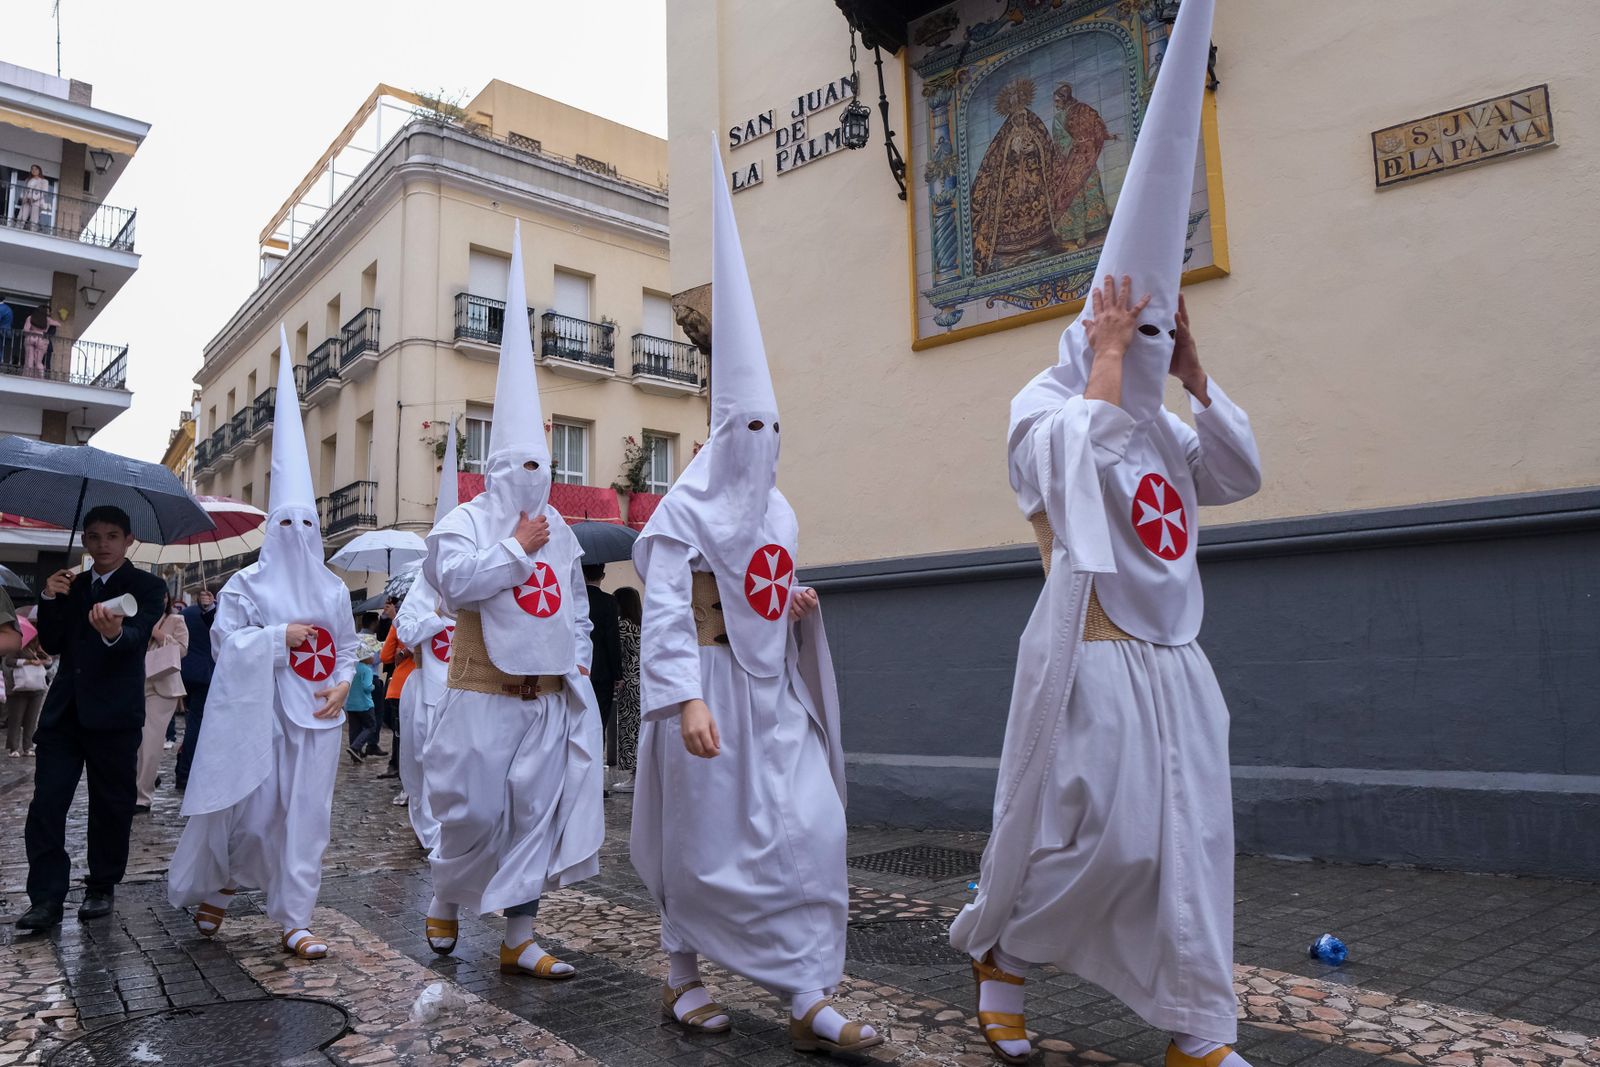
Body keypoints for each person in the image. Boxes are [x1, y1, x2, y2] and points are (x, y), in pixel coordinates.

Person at [947, 6, 1263, 1067]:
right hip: (1086, 656)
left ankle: (1194, 1027)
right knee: (1099, 842)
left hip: (1175, 658)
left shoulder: (1159, 425)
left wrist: (1194, 380)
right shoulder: (1045, 409)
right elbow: (1063, 488)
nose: (1141, 350)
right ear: (1091, 329)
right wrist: (1099, 366)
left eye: (1152, 335)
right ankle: (1002, 953)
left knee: (1191, 847)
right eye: (1131, 331)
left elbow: (1236, 473)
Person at [628, 141, 879, 1056]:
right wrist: (685, 695)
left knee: (809, 826)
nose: (765, 440)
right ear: (723, 430)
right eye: (751, 427)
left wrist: (790, 605)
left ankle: (807, 987)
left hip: (774, 695)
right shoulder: (684, 506)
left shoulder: (779, 507)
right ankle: (683, 976)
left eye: (776, 427)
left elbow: (758, 590)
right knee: (705, 844)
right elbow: (665, 602)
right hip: (704, 691)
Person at [419, 221, 603, 976]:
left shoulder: (560, 528)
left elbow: (575, 605)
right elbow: (452, 582)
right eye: (519, 461)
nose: (533, 473)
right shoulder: (465, 520)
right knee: (475, 813)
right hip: (481, 692)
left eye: (543, 461)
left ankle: (520, 934)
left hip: (546, 696)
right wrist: (513, 547)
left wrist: (580, 664)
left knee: (537, 814)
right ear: (498, 464)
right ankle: (445, 892)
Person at [168, 325, 356, 961]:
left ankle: (295, 918)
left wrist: (341, 685)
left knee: (308, 820)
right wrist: (281, 637)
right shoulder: (247, 583)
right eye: (289, 522)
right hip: (264, 715)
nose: (301, 531)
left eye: (308, 522)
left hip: (318, 719)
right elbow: (226, 642)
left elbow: (349, 646)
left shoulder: (332, 588)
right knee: (254, 815)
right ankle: (222, 883)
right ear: (272, 527)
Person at [18, 506, 167, 930]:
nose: (103, 544)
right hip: (63, 716)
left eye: (112, 536)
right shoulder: (72, 585)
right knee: (46, 806)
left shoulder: (148, 586)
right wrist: (49, 598)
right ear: (84, 541)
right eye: (95, 536)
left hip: (115, 715)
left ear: (128, 540)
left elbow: (136, 641)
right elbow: (53, 642)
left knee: (111, 806)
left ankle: (102, 884)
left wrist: (113, 633)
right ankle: (45, 898)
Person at [394, 422, 462, 843]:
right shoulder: (423, 583)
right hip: (427, 689)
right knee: (422, 759)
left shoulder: (474, 577)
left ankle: (454, 830)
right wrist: (438, 616)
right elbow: (405, 631)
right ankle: (429, 830)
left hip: (466, 688)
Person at [135, 594, 189, 812]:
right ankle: (144, 779)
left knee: (150, 742)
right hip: (136, 682)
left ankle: (142, 797)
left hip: (162, 686)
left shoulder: (177, 620)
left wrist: (158, 635)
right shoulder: (136, 618)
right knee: (134, 742)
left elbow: (183, 650)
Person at [174, 588, 216, 791]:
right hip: (205, 674)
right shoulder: (216, 617)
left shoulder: (186, 613)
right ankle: (185, 770)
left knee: (192, 720)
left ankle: (183, 765)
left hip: (184, 671)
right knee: (196, 723)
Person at [583, 563, 622, 781]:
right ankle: (596, 774)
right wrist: (618, 673)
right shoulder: (608, 602)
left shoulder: (575, 599)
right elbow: (612, 641)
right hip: (602, 672)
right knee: (599, 722)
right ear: (603, 575)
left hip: (578, 670)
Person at [611, 586, 641, 792]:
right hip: (643, 681)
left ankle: (634, 776)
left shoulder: (622, 626)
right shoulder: (642, 625)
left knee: (629, 728)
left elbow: (616, 654)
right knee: (640, 727)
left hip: (629, 682)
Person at [6, 621, 49, 757]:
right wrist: (29, 662)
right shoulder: (18, 646)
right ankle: (13, 748)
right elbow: (9, 661)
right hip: (20, 688)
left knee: (31, 719)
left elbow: (49, 663)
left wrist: (42, 657)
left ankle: (28, 746)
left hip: (36, 688)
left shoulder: (38, 648)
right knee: (16, 719)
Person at [376, 620, 413, 778]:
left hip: (401, 685)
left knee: (399, 733)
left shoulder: (400, 624)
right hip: (429, 684)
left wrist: (402, 651)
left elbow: (385, 656)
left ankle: (397, 766)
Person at [345, 650, 379, 760]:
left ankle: (355, 754)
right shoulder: (367, 670)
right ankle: (355, 747)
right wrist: (373, 686)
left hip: (351, 704)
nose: (374, 656)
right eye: (371, 654)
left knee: (354, 729)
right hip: (365, 704)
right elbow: (366, 687)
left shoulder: (352, 668)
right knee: (371, 726)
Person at [21, 308, 56, 380]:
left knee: (29, 359)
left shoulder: (30, 318)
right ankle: (41, 378)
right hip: (41, 339)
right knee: (38, 362)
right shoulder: (47, 320)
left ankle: (27, 377)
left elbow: (25, 330)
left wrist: (32, 332)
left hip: (31, 338)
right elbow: (45, 330)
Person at [18, 165, 49, 230]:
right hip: (26, 201)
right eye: (32, 169)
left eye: (36, 169)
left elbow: (44, 192)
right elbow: (23, 190)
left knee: (34, 220)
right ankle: (17, 230)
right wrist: (23, 197)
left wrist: (34, 198)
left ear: (39, 171)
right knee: (21, 217)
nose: (34, 170)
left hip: (36, 202)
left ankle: (32, 232)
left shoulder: (44, 181)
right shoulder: (27, 180)